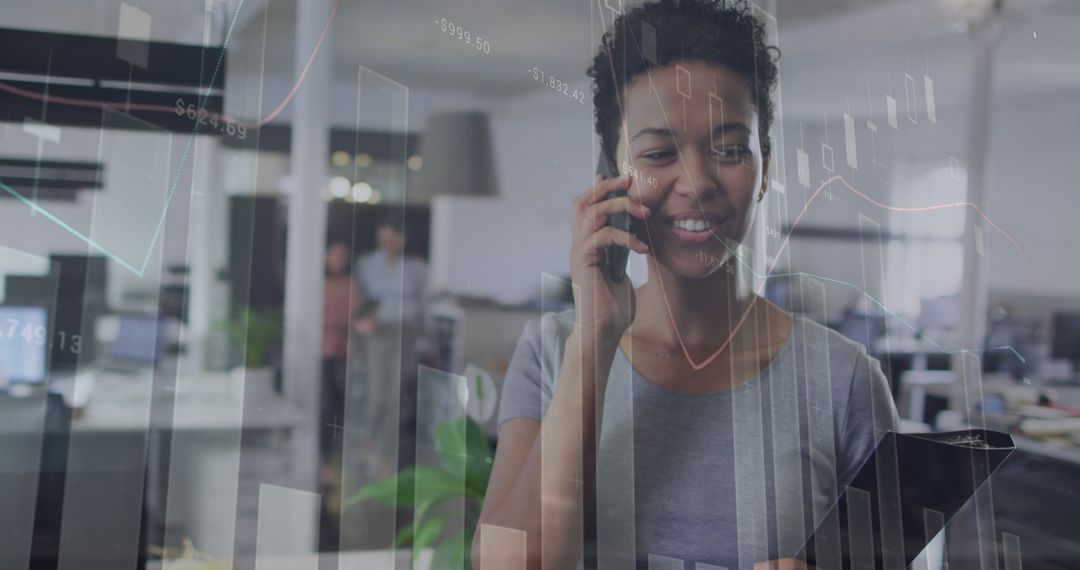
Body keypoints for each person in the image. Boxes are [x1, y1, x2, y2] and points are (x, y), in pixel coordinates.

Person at [472, 2, 898, 569]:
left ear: (764, 167)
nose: (697, 183)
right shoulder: (552, 354)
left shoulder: (843, 383)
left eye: (728, 149)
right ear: (611, 176)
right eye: (658, 153)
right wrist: (595, 338)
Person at [353, 221, 430, 469]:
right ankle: (368, 438)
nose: (386, 244)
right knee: (377, 393)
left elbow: (422, 304)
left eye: (391, 238)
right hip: (377, 332)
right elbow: (360, 300)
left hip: (405, 331)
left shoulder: (416, 268)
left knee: (396, 394)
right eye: (381, 239)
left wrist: (425, 338)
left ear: (402, 240)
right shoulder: (367, 265)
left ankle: (385, 455)